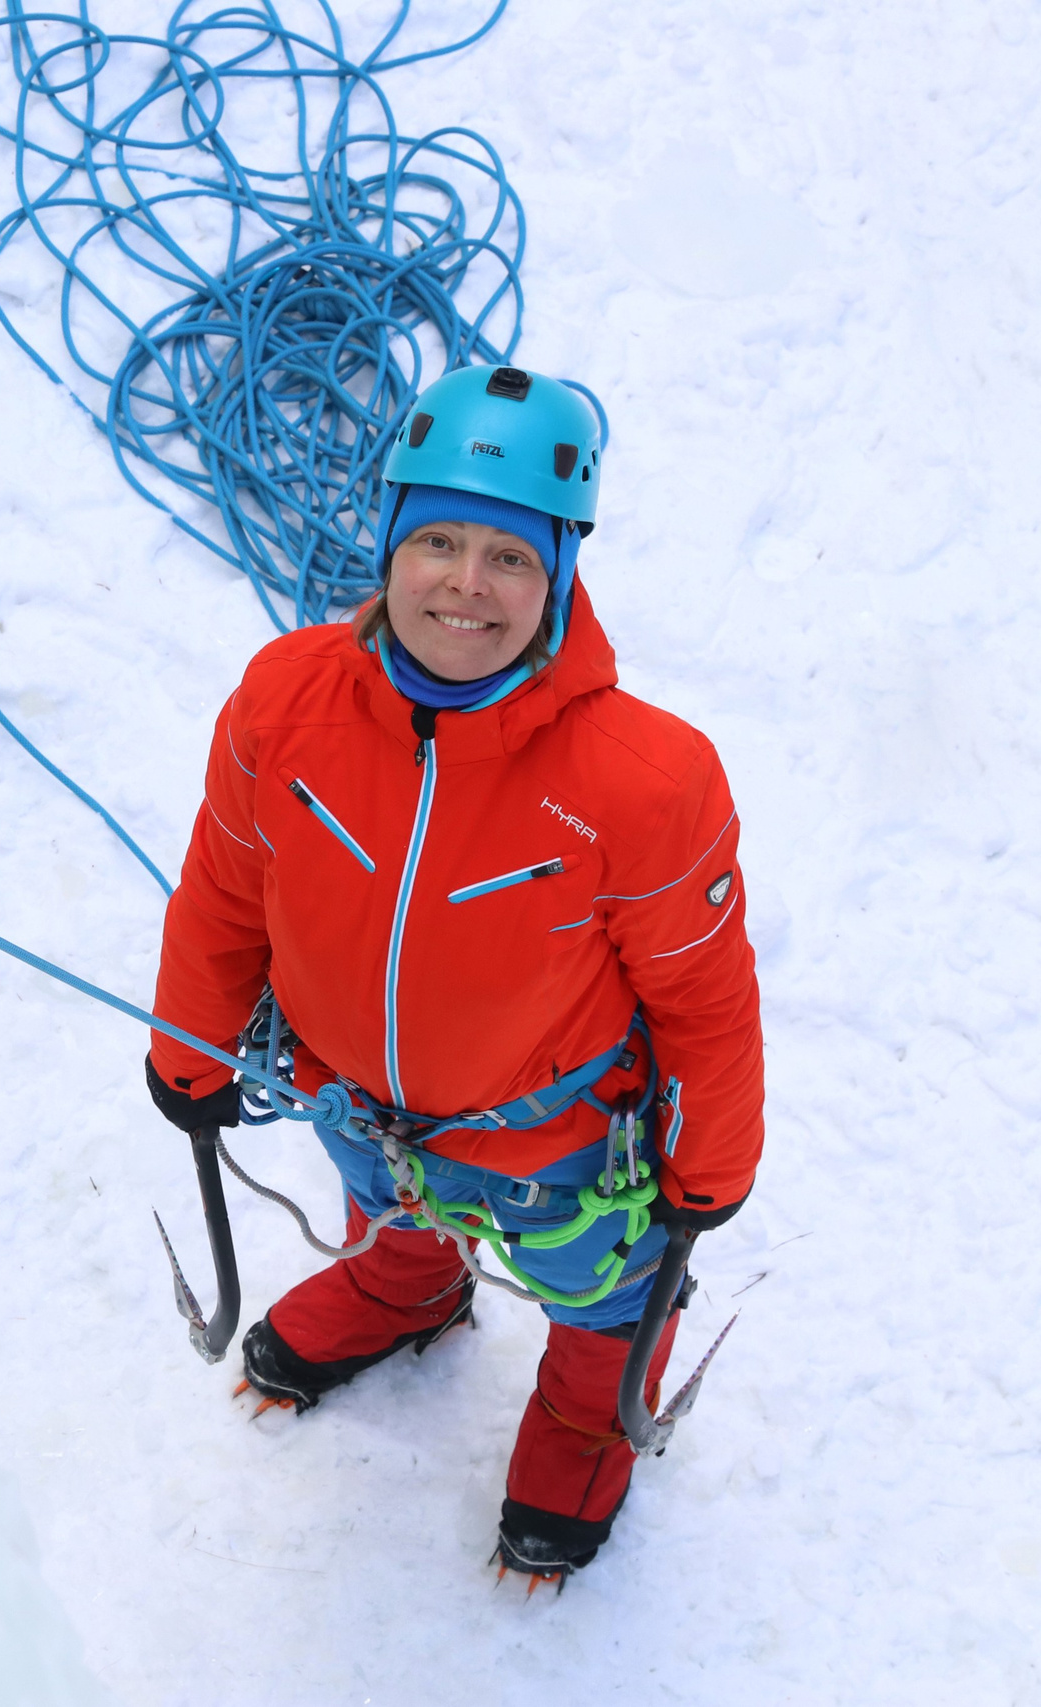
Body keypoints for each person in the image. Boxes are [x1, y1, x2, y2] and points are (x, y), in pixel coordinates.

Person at [145, 364, 764, 1586]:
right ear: (386, 543)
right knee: (387, 1204)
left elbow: (703, 996)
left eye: (509, 558)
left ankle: (590, 1413)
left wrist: (711, 1168)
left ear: (560, 577)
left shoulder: (645, 778)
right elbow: (224, 889)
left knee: (604, 1298)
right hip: (352, 1102)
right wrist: (191, 1046)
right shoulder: (283, 700)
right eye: (435, 541)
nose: (465, 587)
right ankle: (407, 1286)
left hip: (560, 1150)